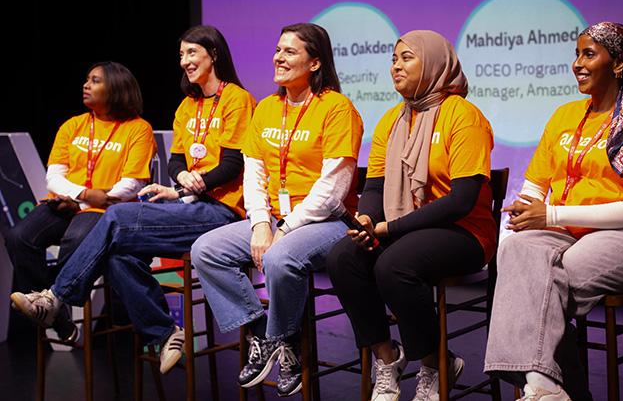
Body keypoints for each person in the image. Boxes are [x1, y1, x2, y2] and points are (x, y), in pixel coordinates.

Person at [10, 25, 256, 375]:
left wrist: (189, 186)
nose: (184, 61)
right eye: (181, 55)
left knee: (117, 216)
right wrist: (180, 180)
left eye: (192, 53)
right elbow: (177, 161)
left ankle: (54, 298)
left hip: (223, 210)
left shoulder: (237, 100)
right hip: (189, 203)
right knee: (117, 252)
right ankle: (167, 332)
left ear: (214, 55)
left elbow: (233, 165)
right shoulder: (188, 106)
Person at [483, 22, 623, 401]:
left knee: (544, 279)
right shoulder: (564, 116)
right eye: (576, 54)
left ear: (618, 63)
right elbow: (535, 188)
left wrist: (551, 215)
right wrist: (525, 216)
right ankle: (547, 387)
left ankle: (542, 386)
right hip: (566, 233)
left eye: (589, 54)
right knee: (514, 251)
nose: (577, 63)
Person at [191, 22, 364, 396]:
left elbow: (333, 188)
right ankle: (265, 333)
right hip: (273, 218)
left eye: (289, 51)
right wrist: (259, 225)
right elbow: (253, 175)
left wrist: (283, 228)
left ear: (315, 63)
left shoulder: (337, 108)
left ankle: (286, 340)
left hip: (328, 221)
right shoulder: (268, 108)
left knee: (279, 258)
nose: (278, 57)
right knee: (206, 250)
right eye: (277, 49)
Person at [326, 30, 497, 401]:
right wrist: (369, 220)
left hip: (464, 232)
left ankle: (435, 366)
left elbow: (462, 200)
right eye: (393, 59)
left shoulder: (464, 117)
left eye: (406, 58)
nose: (396, 66)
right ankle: (387, 358)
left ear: (435, 64)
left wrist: (391, 227)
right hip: (406, 230)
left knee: (393, 264)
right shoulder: (391, 120)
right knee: (342, 257)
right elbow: (373, 188)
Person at [4, 61, 156, 341]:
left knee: (75, 241)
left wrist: (83, 204)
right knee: (18, 237)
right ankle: (56, 316)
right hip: (66, 202)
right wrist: (83, 195)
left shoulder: (138, 129)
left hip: (106, 209)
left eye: (95, 81)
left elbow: (131, 184)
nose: (86, 85)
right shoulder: (73, 125)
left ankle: (53, 303)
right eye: (87, 79)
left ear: (116, 88)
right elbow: (54, 177)